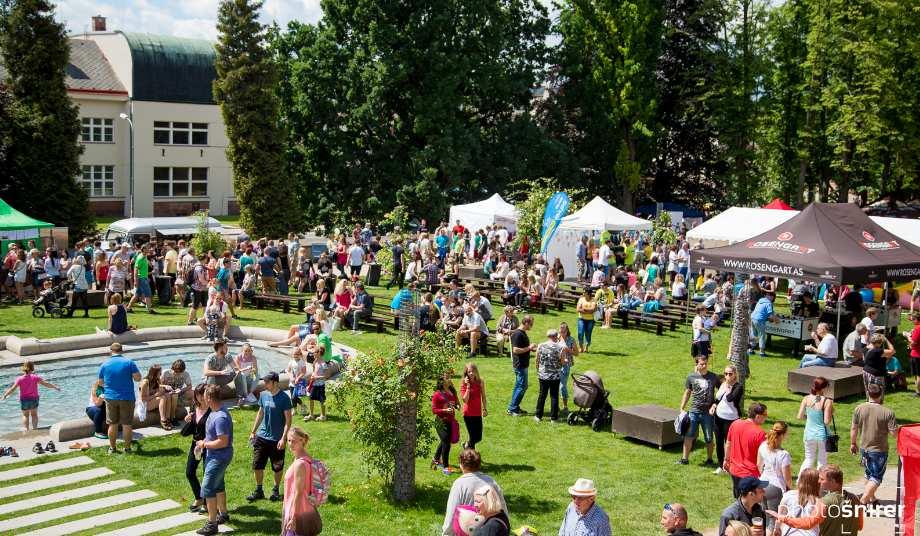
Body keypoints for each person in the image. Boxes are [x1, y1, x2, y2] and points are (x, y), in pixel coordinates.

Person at [766, 464, 863, 535]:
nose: (818, 481)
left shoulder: (825, 502)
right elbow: (860, 526)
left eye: (822, 479)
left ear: (833, 481)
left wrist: (784, 518)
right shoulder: (855, 499)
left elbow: (808, 523)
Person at [246, 371, 293, 503]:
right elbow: (260, 414)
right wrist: (253, 431)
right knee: (257, 465)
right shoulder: (264, 395)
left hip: (277, 439)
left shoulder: (284, 398)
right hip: (261, 437)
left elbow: (288, 420)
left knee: (277, 466)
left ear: (275, 382)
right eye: (264, 381)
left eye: (267, 382)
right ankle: (259, 490)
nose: (264, 384)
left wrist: (283, 438)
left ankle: (275, 490)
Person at [850, 383, 898, 505]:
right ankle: (863, 501)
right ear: (881, 394)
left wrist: (853, 443)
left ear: (868, 393)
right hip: (879, 450)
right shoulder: (888, 412)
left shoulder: (859, 408)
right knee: (876, 477)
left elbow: (854, 428)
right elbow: (894, 434)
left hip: (864, 448)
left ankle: (872, 499)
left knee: (868, 473)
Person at [441, 449, 508, 536]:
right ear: (479, 464)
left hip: (466, 530)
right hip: (491, 530)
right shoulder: (490, 481)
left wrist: (446, 533)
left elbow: (451, 513)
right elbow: (501, 507)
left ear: (461, 465)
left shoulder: (459, 484)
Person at [196, 385, 233, 535]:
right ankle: (223, 514)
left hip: (219, 457)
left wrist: (204, 444)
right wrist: (203, 443)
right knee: (218, 485)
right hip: (214, 455)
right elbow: (212, 436)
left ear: (210, 398)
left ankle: (212, 524)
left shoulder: (220, 417)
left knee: (208, 487)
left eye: (205, 396)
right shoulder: (214, 412)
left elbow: (223, 442)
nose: (203, 399)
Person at [97, 342, 142, 454]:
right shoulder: (129, 362)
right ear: (122, 351)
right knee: (127, 425)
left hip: (110, 397)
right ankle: (127, 449)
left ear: (110, 351)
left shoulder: (104, 364)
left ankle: (112, 448)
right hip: (127, 397)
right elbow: (138, 378)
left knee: (112, 424)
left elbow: (100, 383)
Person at [282, 427, 322, 536]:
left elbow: (298, 493)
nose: (290, 444)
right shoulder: (306, 458)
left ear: (302, 440)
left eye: (294, 441)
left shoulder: (300, 464)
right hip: (305, 507)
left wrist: (293, 517)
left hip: (297, 511)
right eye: (289, 440)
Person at [678, 356, 718, 466]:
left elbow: (721, 391)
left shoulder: (713, 377)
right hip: (694, 412)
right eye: (701, 364)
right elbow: (687, 393)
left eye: (705, 363)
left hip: (708, 414)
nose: (704, 366)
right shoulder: (691, 377)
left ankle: (709, 460)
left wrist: (715, 404)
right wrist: (682, 407)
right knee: (689, 435)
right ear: (697, 365)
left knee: (709, 437)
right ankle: (684, 459)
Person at [2, 360, 60, 432]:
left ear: (23, 368)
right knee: (34, 414)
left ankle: (26, 429)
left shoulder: (19, 379)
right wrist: (55, 387)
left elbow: (12, 389)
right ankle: (35, 429)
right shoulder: (35, 377)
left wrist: (5, 395)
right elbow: (46, 383)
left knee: (25, 415)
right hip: (34, 399)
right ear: (32, 368)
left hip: (24, 400)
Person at [725, 403, 768, 498]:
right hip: (750, 475)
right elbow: (764, 457)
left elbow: (728, 443)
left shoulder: (735, 424)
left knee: (738, 500)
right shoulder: (760, 434)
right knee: (750, 504)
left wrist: (726, 460)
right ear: (757, 416)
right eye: (765, 415)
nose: (766, 417)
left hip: (735, 470)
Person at [757, 421, 792, 533]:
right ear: (782, 435)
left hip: (761, 483)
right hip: (775, 488)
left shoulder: (763, 445)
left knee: (764, 518)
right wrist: (789, 490)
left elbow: (758, 465)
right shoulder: (783, 454)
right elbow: (787, 478)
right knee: (773, 521)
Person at [796, 377, 833, 478]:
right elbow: (826, 421)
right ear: (823, 389)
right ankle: (820, 484)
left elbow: (799, 416)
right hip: (822, 435)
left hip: (809, 434)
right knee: (822, 461)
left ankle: (800, 480)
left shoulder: (806, 398)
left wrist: (810, 417)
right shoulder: (827, 401)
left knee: (808, 459)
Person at [183, 384, 211, 514]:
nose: (200, 397)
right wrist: (188, 419)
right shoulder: (195, 407)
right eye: (198, 394)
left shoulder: (212, 409)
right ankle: (199, 497)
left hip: (208, 445)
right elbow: (193, 425)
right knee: (190, 472)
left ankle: (206, 504)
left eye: (202, 394)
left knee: (207, 475)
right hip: (196, 444)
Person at [712, 365, 743, 476]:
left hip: (731, 419)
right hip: (718, 417)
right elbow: (718, 398)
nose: (727, 376)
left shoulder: (738, 387)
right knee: (719, 441)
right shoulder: (723, 384)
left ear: (735, 374)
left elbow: (730, 398)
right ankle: (721, 465)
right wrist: (714, 405)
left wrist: (728, 387)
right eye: (725, 374)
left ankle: (730, 465)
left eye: (730, 374)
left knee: (729, 443)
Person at [774, 468, 820, 536]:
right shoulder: (818, 501)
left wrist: (776, 529)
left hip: (789, 533)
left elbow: (780, 517)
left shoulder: (789, 495)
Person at [507, 315, 536, 417]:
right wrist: (529, 348)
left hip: (523, 364)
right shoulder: (518, 334)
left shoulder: (522, 333)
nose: (531, 327)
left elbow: (521, 347)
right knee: (522, 386)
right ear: (526, 323)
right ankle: (512, 409)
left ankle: (515, 406)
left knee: (519, 386)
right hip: (520, 365)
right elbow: (515, 350)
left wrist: (530, 348)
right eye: (531, 324)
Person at [534, 328, 564, 423]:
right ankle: (554, 418)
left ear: (548, 336)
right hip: (555, 375)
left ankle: (538, 416)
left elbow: (537, 360)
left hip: (543, 375)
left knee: (542, 395)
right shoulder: (560, 347)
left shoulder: (541, 345)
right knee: (554, 396)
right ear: (555, 336)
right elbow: (562, 362)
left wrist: (538, 370)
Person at [432, 373, 459, 475]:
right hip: (441, 422)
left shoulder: (452, 391)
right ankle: (446, 467)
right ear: (442, 381)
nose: (450, 379)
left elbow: (455, 402)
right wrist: (444, 410)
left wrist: (457, 406)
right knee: (446, 444)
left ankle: (435, 460)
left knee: (444, 441)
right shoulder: (437, 394)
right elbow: (434, 410)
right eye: (447, 378)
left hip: (450, 421)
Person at [460, 363, 487, 450]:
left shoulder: (480, 381)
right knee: (473, 436)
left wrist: (484, 409)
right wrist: (468, 387)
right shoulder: (464, 383)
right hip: (468, 414)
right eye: (469, 372)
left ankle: (466, 445)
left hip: (477, 413)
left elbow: (483, 396)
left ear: (476, 371)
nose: (471, 373)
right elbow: (465, 400)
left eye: (473, 371)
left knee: (478, 437)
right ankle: (471, 457)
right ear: (466, 373)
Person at [139, 365, 173, 430]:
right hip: (145, 404)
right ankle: (163, 420)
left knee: (167, 395)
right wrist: (156, 395)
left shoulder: (157, 380)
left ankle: (168, 418)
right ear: (155, 373)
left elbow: (159, 389)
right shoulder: (145, 383)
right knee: (162, 398)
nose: (161, 374)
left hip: (153, 400)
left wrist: (164, 387)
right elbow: (143, 399)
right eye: (159, 373)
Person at [862, 333, 895, 401]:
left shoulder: (865, 348)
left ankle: (869, 405)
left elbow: (864, 359)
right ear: (877, 342)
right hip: (875, 374)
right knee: (878, 393)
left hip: (866, 372)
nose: (881, 344)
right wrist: (886, 340)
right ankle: (877, 406)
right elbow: (893, 351)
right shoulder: (877, 351)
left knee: (869, 392)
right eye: (880, 342)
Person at [126, 244, 156, 314]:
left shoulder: (144, 256)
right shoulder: (140, 258)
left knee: (137, 295)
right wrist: (136, 281)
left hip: (143, 278)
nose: (149, 250)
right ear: (144, 250)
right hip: (142, 279)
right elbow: (136, 270)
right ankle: (149, 309)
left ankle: (128, 308)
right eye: (147, 249)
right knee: (148, 294)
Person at [558, 322, 579, 413]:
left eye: (563, 332)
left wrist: (569, 350)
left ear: (567, 331)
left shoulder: (571, 340)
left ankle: (565, 406)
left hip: (565, 365)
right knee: (554, 385)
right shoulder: (557, 338)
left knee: (562, 386)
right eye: (560, 332)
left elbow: (577, 353)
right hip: (556, 364)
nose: (562, 334)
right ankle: (555, 405)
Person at [750, 293, 778, 357]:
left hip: (753, 317)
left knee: (754, 334)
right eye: (772, 297)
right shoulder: (769, 303)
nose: (772, 299)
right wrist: (776, 320)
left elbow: (763, 312)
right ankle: (762, 352)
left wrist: (770, 318)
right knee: (762, 335)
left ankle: (750, 350)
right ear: (771, 297)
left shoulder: (761, 300)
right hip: (759, 320)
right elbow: (771, 315)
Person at [576, 288, 598, 353]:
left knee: (588, 334)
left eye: (584, 292)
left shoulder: (594, 300)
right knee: (580, 333)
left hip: (590, 320)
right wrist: (589, 311)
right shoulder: (581, 299)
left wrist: (584, 309)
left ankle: (586, 347)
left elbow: (594, 309)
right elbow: (578, 309)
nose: (583, 293)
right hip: (581, 319)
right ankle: (581, 347)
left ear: (588, 293)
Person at [905, 312, 920, 396]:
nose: (912, 321)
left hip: (917, 354)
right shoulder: (916, 329)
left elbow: (913, 343)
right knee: (916, 374)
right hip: (916, 353)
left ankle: (918, 392)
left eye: (913, 319)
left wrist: (907, 336)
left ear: (917, 320)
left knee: (918, 374)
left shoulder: (918, 329)